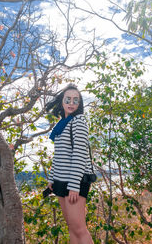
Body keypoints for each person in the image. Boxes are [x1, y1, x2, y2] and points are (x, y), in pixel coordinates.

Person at [46, 84, 94, 244]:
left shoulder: (78, 121)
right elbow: (59, 155)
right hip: (60, 180)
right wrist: (51, 178)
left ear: (79, 103)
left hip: (74, 182)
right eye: (68, 99)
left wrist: (74, 186)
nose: (71, 102)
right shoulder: (62, 124)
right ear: (62, 102)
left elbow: (80, 154)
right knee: (71, 227)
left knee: (79, 228)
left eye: (76, 100)